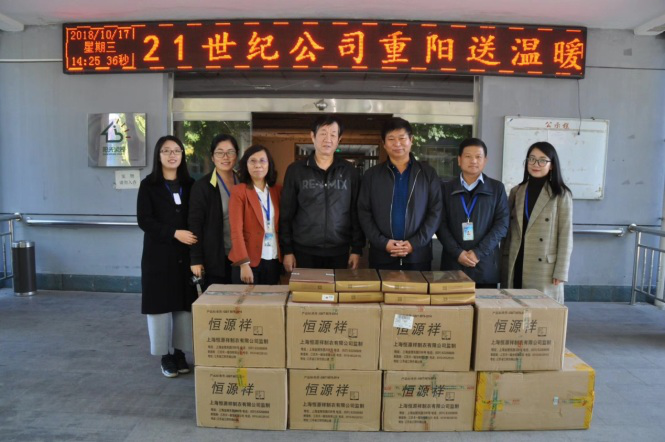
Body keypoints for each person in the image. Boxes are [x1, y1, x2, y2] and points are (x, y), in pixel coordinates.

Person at [137, 135, 197, 378]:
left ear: (182, 155)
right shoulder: (148, 185)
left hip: (185, 256)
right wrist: (174, 233)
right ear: (158, 155)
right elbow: (144, 220)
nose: (172, 155)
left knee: (184, 305)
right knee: (160, 305)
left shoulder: (190, 184)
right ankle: (165, 356)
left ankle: (180, 352)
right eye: (166, 151)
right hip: (158, 256)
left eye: (177, 150)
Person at [279, 115, 364, 271]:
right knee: (306, 288)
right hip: (303, 250)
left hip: (339, 250)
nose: (328, 139)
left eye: (333, 134)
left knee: (336, 287)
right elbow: (286, 213)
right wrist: (287, 250)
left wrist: (357, 248)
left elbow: (356, 212)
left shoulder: (349, 172)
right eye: (323, 133)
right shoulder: (296, 170)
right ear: (313, 136)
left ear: (339, 139)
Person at [358, 117, 442, 270]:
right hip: (382, 256)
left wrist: (414, 243)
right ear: (384, 144)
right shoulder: (372, 175)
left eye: (402, 138)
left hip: (418, 256)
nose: (397, 144)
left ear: (411, 140)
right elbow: (364, 212)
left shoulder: (427, 174)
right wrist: (383, 243)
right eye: (391, 139)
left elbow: (435, 211)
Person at [501, 141, 573, 303]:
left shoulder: (561, 194)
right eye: (531, 159)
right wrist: (503, 261)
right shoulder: (517, 191)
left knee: (541, 310)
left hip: (544, 267)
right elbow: (509, 232)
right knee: (514, 308)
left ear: (552, 165)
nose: (535, 164)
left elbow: (566, 235)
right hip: (517, 260)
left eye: (542, 160)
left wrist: (561, 271)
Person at [437, 137, 509, 287]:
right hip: (453, 265)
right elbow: (440, 224)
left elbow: (501, 225)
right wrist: (458, 253)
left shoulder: (497, 188)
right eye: (468, 156)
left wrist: (478, 253)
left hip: (485, 266)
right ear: (459, 160)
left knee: (485, 302)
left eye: (478, 157)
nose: (473, 161)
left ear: (485, 160)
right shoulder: (445, 189)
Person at [188, 134, 239, 290]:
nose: (225, 157)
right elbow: (195, 224)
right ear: (212, 157)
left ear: (236, 155)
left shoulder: (244, 182)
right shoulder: (202, 187)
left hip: (243, 257)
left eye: (230, 152)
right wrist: (196, 259)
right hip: (215, 258)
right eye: (219, 152)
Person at [229, 145, 282, 284]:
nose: (258, 165)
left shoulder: (278, 190)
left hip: (273, 259)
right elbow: (236, 231)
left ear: (269, 164)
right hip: (248, 262)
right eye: (252, 161)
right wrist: (243, 263)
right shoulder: (239, 191)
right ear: (246, 165)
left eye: (262, 160)